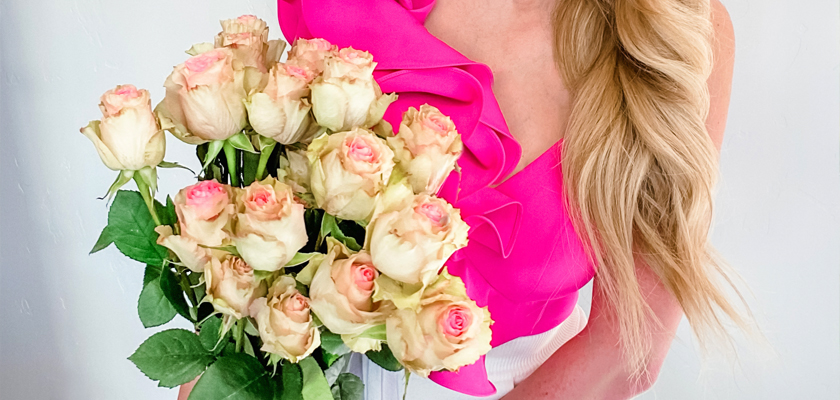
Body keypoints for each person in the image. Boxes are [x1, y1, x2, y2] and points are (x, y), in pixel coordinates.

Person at [181, 0, 746, 398]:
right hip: (306, 377)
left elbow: (628, 352)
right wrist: (218, 379)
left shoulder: (683, 37)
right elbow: (271, 208)